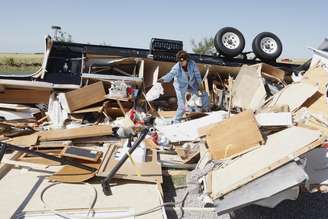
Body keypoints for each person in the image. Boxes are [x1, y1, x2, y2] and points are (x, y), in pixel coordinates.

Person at [158, 50, 204, 122]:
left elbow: (197, 75)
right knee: (182, 106)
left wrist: (200, 84)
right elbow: (170, 75)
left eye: (183, 61)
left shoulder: (193, 64)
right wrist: (163, 79)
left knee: (199, 98)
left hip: (192, 84)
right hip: (180, 86)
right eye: (180, 61)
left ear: (187, 60)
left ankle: (196, 115)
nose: (182, 63)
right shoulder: (176, 67)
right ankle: (176, 120)